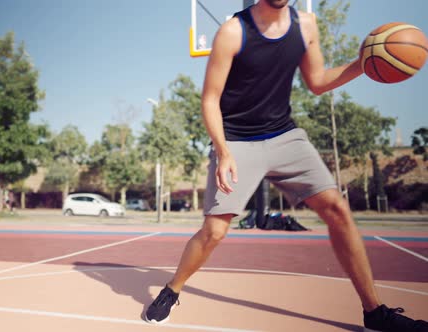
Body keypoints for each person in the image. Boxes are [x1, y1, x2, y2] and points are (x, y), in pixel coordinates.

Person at [144, 1, 428, 331]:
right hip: (236, 139)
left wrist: (363, 64)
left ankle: (374, 312)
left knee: (337, 209)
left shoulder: (305, 25)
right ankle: (172, 289)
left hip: (284, 135)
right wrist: (222, 152)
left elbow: (318, 82)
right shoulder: (232, 32)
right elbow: (210, 98)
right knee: (215, 231)